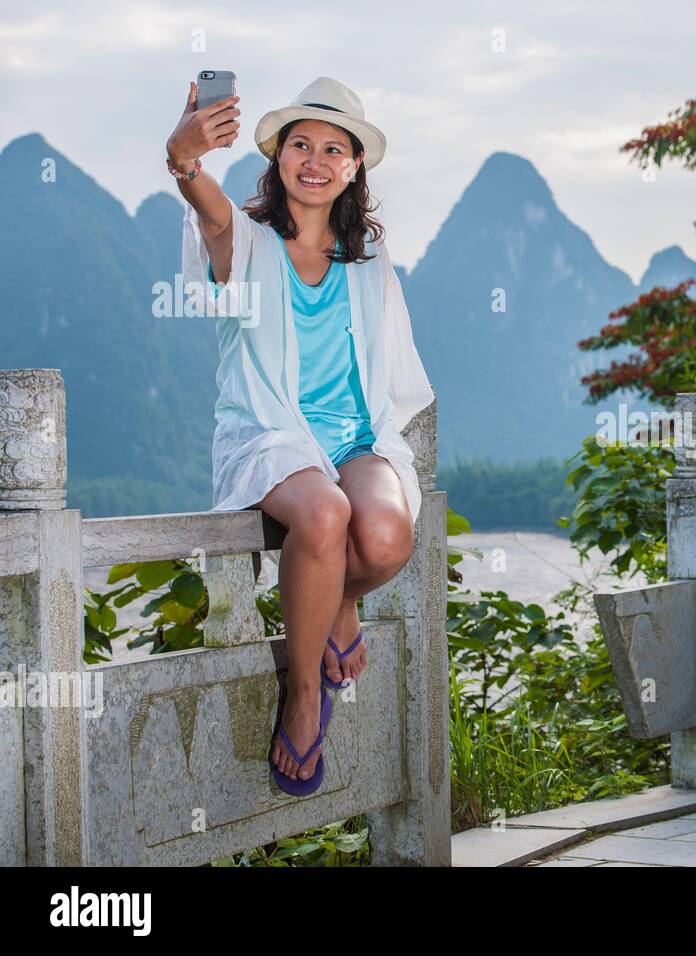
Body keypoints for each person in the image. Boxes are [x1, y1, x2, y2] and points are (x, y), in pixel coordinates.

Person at [165, 76, 435, 795]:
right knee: (324, 514)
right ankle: (305, 691)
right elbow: (215, 222)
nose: (315, 160)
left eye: (333, 149)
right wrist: (187, 162)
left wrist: (343, 587)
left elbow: (388, 386)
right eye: (300, 145)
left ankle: (337, 601)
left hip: (356, 439)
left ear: (354, 167)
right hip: (270, 433)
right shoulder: (249, 243)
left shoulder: (369, 264)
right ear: (278, 157)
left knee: (384, 538)